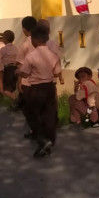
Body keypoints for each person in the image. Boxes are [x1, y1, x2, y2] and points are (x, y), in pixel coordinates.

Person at [16, 25, 61, 157]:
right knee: (49, 115)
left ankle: (42, 139)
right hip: (49, 87)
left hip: (36, 88)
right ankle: (50, 140)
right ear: (47, 39)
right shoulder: (53, 55)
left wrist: (17, 71)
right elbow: (57, 72)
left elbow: (24, 73)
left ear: (34, 40)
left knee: (31, 113)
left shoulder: (31, 56)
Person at [16, 16, 37, 118]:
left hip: (28, 81)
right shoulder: (45, 42)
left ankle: (35, 130)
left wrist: (19, 83)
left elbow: (20, 66)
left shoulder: (24, 45)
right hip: (45, 80)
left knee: (29, 108)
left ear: (24, 29)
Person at [0, 30, 18, 100]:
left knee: (5, 89)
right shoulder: (16, 48)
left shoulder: (3, 49)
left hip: (7, 70)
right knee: (12, 88)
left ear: (5, 39)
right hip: (15, 69)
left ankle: (15, 100)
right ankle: (12, 104)